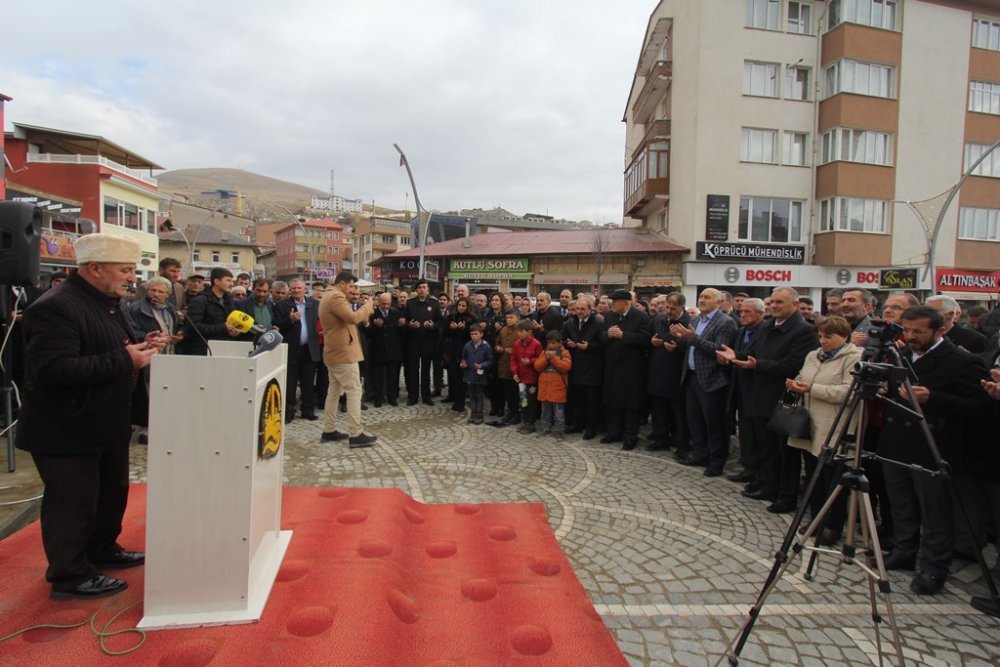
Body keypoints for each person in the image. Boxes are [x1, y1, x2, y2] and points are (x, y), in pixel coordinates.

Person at [17, 233, 164, 600]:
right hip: (67, 428)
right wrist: (127, 359)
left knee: (110, 495)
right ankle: (70, 574)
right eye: (125, 270)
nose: (132, 277)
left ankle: (101, 548)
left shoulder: (106, 302)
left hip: (105, 423)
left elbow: (107, 347)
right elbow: (52, 369)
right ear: (94, 268)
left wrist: (142, 346)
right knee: (73, 504)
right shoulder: (55, 306)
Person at [879, 306, 990, 595]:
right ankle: (904, 549)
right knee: (901, 502)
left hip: (934, 446)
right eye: (907, 330)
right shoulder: (900, 356)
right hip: (897, 443)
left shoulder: (961, 361)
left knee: (935, 511)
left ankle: (933, 566)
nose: (911, 337)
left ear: (939, 331)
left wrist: (934, 398)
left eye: (919, 332)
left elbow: (981, 407)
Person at [718, 288, 817, 508]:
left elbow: (793, 365)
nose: (774, 306)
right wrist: (736, 356)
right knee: (765, 447)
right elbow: (754, 356)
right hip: (758, 395)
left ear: (795, 303)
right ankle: (766, 483)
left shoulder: (803, 331)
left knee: (784, 452)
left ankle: (785, 494)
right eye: (772, 302)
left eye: (780, 302)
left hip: (781, 398)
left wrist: (757, 365)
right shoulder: (768, 326)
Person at [784, 316, 863, 544]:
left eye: (829, 337)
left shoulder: (854, 358)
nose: (823, 341)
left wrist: (812, 388)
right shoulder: (813, 355)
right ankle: (816, 517)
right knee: (813, 476)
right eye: (820, 336)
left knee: (831, 479)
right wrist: (795, 384)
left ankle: (833, 525)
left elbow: (848, 392)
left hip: (834, 426)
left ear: (844, 336)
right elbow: (803, 376)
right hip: (810, 423)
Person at [671, 289, 737, 475]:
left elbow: (719, 349)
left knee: (714, 423)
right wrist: (681, 338)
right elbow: (689, 346)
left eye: (707, 297)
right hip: (691, 376)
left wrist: (693, 338)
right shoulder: (695, 320)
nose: (702, 300)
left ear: (718, 302)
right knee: (695, 420)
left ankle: (716, 461)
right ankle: (700, 453)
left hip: (712, 379)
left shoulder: (726, 322)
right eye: (700, 297)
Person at [319, 271, 377, 448]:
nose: (352, 289)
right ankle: (356, 433)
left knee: (334, 391)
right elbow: (352, 318)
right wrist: (368, 306)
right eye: (351, 285)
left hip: (336, 351)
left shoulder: (329, 295)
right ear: (342, 283)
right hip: (343, 353)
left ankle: (329, 430)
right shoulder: (336, 297)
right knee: (354, 391)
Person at [600, 289, 651, 451]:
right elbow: (600, 336)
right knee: (612, 401)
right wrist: (607, 334)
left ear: (626, 303)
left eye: (615, 301)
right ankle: (613, 432)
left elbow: (645, 339)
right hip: (612, 367)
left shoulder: (641, 317)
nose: (612, 304)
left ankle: (630, 436)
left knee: (631, 404)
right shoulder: (609, 316)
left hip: (632, 369)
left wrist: (623, 335)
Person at [722, 297, 765, 485]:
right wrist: (726, 360)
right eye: (742, 312)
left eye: (748, 312)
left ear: (760, 314)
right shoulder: (740, 332)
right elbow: (734, 355)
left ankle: (760, 474)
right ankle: (749, 467)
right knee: (745, 433)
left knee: (759, 436)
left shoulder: (765, 332)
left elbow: (757, 357)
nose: (743, 315)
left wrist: (736, 357)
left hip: (757, 390)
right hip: (739, 388)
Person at [646, 292, 689, 453]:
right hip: (658, 373)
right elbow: (646, 339)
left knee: (679, 414)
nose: (669, 310)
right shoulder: (658, 320)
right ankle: (660, 438)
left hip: (678, 375)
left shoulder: (688, 322)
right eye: (667, 307)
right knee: (659, 411)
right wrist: (651, 342)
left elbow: (693, 346)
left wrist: (679, 348)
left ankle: (681, 442)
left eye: (673, 308)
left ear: (681, 307)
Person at [274, 278, 322, 423]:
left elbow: (321, 321)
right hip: (292, 349)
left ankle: (308, 410)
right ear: (290, 290)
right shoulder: (282, 305)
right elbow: (277, 325)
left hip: (310, 348)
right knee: (290, 383)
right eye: (293, 288)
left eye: (298, 288)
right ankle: (289, 411)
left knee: (308, 382)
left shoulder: (314, 304)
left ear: (304, 289)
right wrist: (291, 320)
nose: (296, 290)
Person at [563, 297, 604, 440]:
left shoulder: (598, 323)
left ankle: (591, 427)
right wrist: (569, 343)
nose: (579, 312)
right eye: (577, 309)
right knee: (576, 399)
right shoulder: (570, 323)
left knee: (591, 401)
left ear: (590, 309)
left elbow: (603, 344)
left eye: (583, 309)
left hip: (592, 368)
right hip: (575, 367)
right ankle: (577, 424)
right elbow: (563, 340)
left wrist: (589, 346)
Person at [182, 268, 239, 355]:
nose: (232, 284)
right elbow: (193, 327)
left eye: (232, 281)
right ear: (216, 281)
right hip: (203, 350)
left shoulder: (229, 301)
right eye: (228, 280)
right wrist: (223, 328)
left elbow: (232, 322)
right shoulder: (200, 301)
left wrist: (233, 331)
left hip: (224, 348)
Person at [405, 280, 440, 406]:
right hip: (413, 342)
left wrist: (432, 325)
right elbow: (405, 321)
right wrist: (410, 325)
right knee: (413, 369)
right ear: (416, 290)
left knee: (426, 370)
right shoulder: (410, 303)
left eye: (424, 287)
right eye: (419, 287)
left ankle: (426, 396)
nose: (422, 289)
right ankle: (413, 396)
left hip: (428, 342)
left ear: (428, 289)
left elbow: (440, 322)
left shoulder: (434, 304)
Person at [366, 292, 404, 407]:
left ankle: (392, 397)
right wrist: (374, 327)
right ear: (378, 303)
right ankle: (378, 398)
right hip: (378, 351)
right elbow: (369, 335)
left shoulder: (396, 314)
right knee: (378, 376)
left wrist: (402, 326)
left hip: (393, 351)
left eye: (387, 304)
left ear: (391, 303)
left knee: (392, 376)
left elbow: (401, 334)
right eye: (383, 304)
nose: (386, 306)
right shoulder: (373, 315)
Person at [534, 330, 572, 440]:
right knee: (545, 412)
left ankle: (559, 432)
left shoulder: (565, 353)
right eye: (549, 343)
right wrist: (546, 358)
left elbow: (566, 367)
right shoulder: (543, 353)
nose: (551, 345)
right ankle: (545, 429)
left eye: (553, 343)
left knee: (559, 413)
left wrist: (553, 358)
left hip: (558, 388)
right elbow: (537, 367)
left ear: (560, 343)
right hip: (545, 387)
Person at [443, 297, 478, 412]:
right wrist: (451, 328)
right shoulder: (451, 317)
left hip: (466, 352)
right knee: (454, 377)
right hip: (453, 351)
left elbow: (473, 336)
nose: (461, 307)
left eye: (463, 306)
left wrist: (465, 329)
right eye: (459, 305)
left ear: (467, 306)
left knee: (462, 378)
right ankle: (455, 399)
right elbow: (444, 333)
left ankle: (461, 402)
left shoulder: (472, 319)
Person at [510, 319, 543, 434]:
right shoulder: (517, 343)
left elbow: (541, 360)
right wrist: (514, 372)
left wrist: (530, 362)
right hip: (521, 379)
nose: (518, 333)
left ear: (529, 331)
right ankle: (524, 421)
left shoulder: (536, 344)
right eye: (518, 331)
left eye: (521, 331)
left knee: (532, 401)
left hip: (532, 379)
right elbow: (513, 359)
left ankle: (531, 423)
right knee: (523, 400)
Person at [460, 323, 494, 424]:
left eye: (476, 334)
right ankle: (473, 414)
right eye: (472, 334)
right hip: (469, 375)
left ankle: (479, 415)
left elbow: (490, 361)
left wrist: (482, 365)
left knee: (479, 396)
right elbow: (464, 357)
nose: (473, 336)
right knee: (472, 396)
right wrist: (463, 362)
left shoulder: (486, 346)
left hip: (480, 376)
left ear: (481, 334)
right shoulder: (467, 345)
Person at [494, 310, 522, 425]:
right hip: (504, 365)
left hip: (516, 368)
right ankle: (510, 412)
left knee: (516, 393)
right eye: (507, 317)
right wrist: (498, 348)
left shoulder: (520, 331)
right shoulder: (503, 330)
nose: (509, 320)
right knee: (508, 393)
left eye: (511, 317)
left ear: (517, 318)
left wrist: (515, 352)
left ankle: (517, 414)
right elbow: (497, 343)